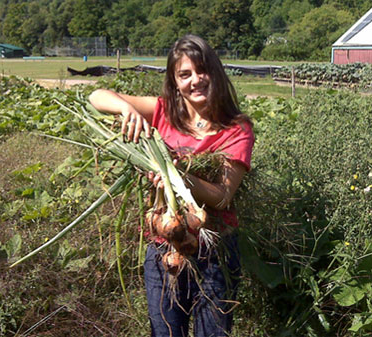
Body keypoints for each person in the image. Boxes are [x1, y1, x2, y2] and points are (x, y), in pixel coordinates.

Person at [89, 34, 254, 337]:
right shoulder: (163, 112)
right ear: (175, 81)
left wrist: (176, 175)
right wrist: (126, 110)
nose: (196, 80)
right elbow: (96, 97)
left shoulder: (237, 128)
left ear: (215, 71)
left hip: (214, 250)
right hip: (163, 247)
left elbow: (222, 196)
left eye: (202, 70)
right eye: (185, 74)